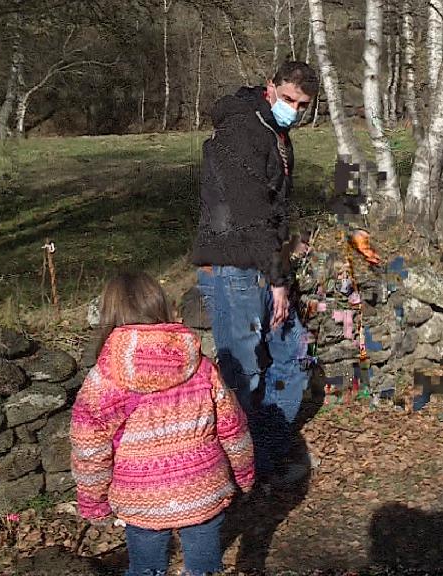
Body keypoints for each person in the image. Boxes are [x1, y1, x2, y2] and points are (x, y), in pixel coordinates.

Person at [71, 272, 254, 576]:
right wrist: (244, 473)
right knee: (205, 569)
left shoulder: (105, 378)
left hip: (140, 497)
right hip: (203, 488)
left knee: (145, 569)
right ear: (160, 307)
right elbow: (233, 427)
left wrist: (93, 501)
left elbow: (89, 448)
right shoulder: (200, 365)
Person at [190, 61, 317, 483]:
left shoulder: (274, 133)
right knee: (243, 374)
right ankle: (241, 467)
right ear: (270, 88)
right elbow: (249, 214)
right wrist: (278, 281)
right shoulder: (243, 130)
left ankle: (261, 453)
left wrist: (287, 244)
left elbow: (271, 208)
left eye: (302, 106)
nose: (293, 110)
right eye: (288, 100)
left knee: (295, 355)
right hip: (234, 268)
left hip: (259, 260)